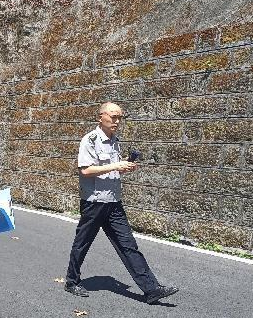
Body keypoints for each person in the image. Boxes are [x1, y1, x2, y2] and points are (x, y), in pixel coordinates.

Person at [63, 101, 178, 305]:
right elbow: (85, 170)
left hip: (114, 201)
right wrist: (116, 165)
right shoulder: (89, 140)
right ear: (100, 117)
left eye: (119, 118)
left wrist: (124, 167)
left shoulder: (115, 141)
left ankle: (151, 289)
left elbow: (111, 169)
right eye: (113, 117)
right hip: (94, 202)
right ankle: (72, 281)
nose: (117, 121)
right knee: (82, 243)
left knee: (128, 245)